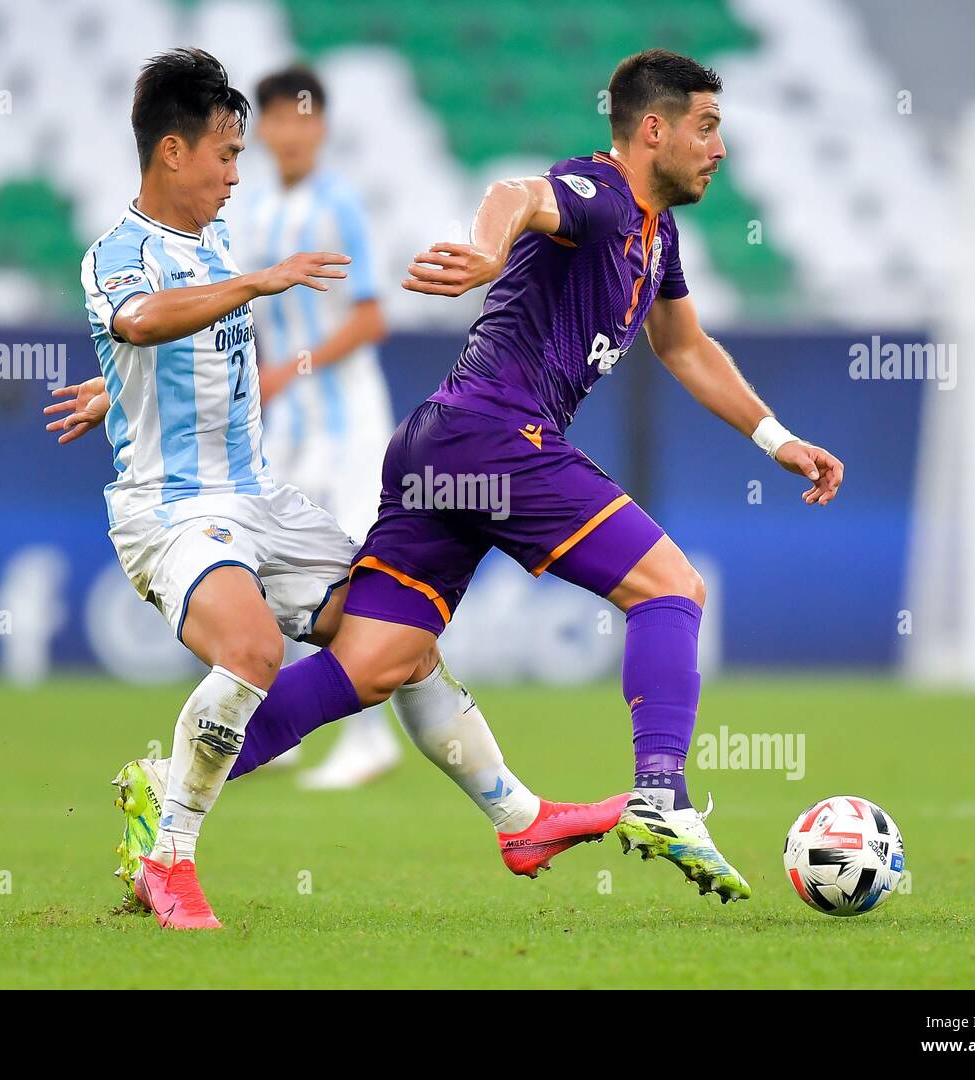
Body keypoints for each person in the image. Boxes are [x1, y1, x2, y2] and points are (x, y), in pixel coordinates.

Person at [54, 47, 628, 931]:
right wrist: (247, 285)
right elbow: (137, 318)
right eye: (224, 155)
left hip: (260, 500)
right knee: (249, 653)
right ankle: (167, 858)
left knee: (396, 635)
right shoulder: (120, 252)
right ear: (173, 152)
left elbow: (156, 343)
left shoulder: (206, 240)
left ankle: (521, 820)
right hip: (173, 511)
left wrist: (112, 385)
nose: (236, 174)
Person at [236, 65, 402, 790]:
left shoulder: (339, 205)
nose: (288, 130)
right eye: (274, 118)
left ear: (319, 125)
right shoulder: (258, 210)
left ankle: (370, 741)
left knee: (357, 579)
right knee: (273, 572)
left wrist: (290, 368)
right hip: (290, 426)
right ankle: (284, 722)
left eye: (299, 116)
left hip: (349, 425)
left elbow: (370, 317)